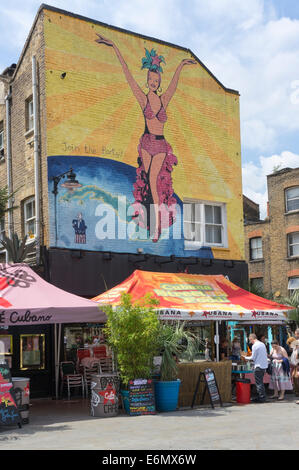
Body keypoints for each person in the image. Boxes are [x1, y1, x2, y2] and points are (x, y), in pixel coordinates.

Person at [95, 33, 196, 241]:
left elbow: (174, 85)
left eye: (156, 80)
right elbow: (128, 77)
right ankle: (149, 223)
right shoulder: (143, 99)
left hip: (160, 145)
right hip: (146, 142)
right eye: (150, 79)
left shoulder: (164, 99)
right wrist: (114, 46)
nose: (153, 82)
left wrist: (181, 65)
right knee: (147, 186)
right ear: (147, 80)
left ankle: (157, 227)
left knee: (153, 181)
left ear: (159, 82)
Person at [241, 333, 268, 403]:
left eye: (250, 340)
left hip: (258, 366)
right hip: (263, 366)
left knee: (259, 383)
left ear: (251, 339)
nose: (250, 342)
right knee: (261, 382)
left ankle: (261, 397)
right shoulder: (262, 344)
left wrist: (244, 357)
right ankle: (262, 396)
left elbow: (252, 357)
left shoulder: (255, 346)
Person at [289, 339, 299, 403]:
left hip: (297, 365)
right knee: (294, 378)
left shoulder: (297, 349)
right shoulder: (295, 350)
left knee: (297, 378)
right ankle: (297, 392)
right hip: (295, 365)